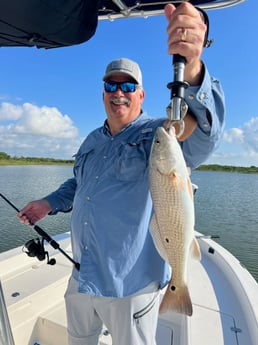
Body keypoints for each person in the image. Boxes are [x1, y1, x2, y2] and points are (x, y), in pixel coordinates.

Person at [18, 3, 225, 345]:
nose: (118, 93)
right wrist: (47, 203)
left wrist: (192, 68)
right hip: (83, 274)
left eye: (128, 87)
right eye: (111, 86)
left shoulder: (157, 135)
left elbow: (203, 136)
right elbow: (79, 185)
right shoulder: (92, 140)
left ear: (141, 95)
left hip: (130, 285)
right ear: (102, 94)